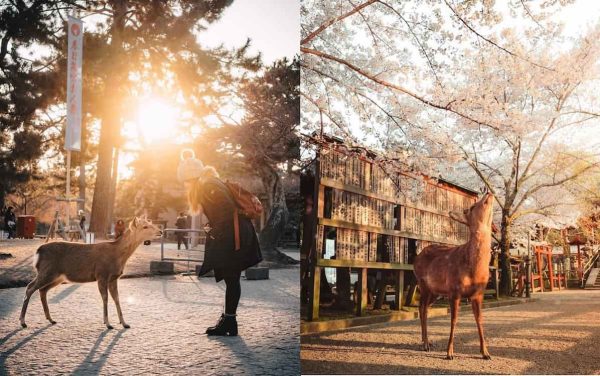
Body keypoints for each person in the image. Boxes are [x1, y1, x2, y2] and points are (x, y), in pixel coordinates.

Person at [178, 150, 262, 336]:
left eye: (185, 181)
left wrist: (214, 231)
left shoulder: (207, 186)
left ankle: (229, 322)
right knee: (231, 278)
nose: (185, 185)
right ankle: (228, 319)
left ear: (190, 177)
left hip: (235, 235)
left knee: (232, 278)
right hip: (235, 232)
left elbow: (226, 209)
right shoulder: (209, 183)